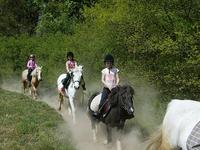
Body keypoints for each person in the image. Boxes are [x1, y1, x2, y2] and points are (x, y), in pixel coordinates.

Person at [93, 54, 119, 118]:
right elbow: (102, 80)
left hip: (114, 88)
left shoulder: (115, 70)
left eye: (109, 63)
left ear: (112, 63)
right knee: (102, 101)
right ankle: (99, 112)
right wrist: (107, 86)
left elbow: (118, 78)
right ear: (105, 63)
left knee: (121, 99)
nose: (108, 64)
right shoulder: (104, 71)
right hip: (106, 88)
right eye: (107, 63)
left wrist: (116, 84)